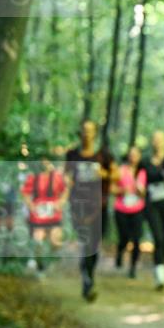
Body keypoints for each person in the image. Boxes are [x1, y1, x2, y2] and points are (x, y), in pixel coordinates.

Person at [65, 120, 113, 301]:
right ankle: (87, 280)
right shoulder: (72, 154)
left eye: (90, 131)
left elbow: (115, 175)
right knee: (85, 242)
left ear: (95, 134)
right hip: (78, 206)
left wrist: (104, 174)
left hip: (99, 206)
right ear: (80, 133)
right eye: (84, 131)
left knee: (93, 245)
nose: (87, 134)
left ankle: (88, 273)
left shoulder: (103, 155)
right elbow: (67, 176)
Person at [21, 158, 69, 274]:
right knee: (38, 242)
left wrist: (61, 203)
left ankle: (50, 261)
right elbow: (25, 193)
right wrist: (31, 206)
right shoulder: (33, 177)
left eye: (47, 161)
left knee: (56, 242)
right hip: (38, 216)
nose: (44, 164)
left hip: (54, 214)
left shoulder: (57, 177)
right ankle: (40, 265)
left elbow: (65, 191)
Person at [144, 131, 164, 290]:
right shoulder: (146, 161)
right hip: (152, 204)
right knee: (158, 237)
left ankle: (161, 265)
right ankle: (160, 274)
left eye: (160, 140)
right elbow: (140, 180)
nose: (157, 143)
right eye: (154, 140)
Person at [112, 146, 147, 279]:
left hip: (138, 209)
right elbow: (112, 189)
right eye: (131, 154)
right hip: (121, 209)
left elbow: (145, 193)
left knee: (137, 239)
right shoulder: (120, 170)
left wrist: (140, 191)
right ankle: (120, 252)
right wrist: (122, 190)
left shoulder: (143, 172)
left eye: (136, 154)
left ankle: (133, 268)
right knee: (124, 237)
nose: (133, 157)